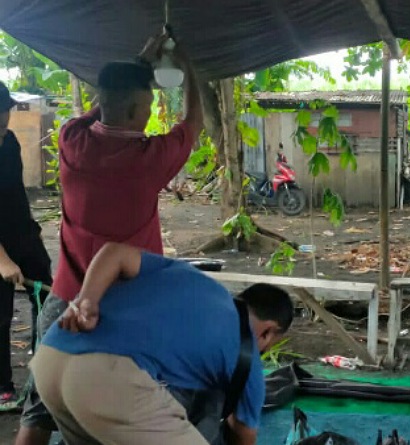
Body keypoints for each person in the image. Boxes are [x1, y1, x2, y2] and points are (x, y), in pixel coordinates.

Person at [16, 33, 203, 445]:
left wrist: (137, 63)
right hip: (124, 313)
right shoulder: (149, 160)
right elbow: (193, 123)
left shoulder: (71, 141)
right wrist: (187, 67)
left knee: (39, 411)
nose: (151, 112)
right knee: (115, 416)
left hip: (64, 302)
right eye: (149, 106)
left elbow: (104, 107)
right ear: (138, 109)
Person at [31, 242, 293, 445]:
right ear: (267, 333)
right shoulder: (249, 364)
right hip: (107, 381)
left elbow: (114, 252)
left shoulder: (194, 280)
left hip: (51, 358)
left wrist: (87, 299)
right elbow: (243, 434)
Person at [0, 81, 53, 405]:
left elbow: (15, 194)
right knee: (0, 315)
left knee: (47, 298)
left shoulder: (10, 143)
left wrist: (29, 235)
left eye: (3, 112)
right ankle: (2, 384)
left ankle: (44, 366)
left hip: (22, 233)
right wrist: (3, 260)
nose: (1, 121)